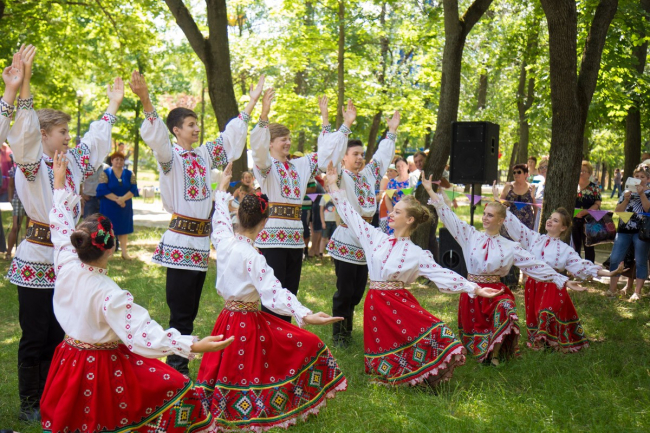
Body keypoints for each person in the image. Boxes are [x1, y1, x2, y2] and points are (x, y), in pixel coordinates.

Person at [41, 150, 234, 433]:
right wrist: (192, 345)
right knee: (153, 393)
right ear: (111, 249)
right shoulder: (109, 294)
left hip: (69, 357)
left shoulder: (67, 262)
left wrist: (59, 185)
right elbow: (144, 333)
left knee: (73, 417)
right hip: (99, 365)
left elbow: (59, 226)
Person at [6, 45, 122, 421]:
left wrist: (113, 105)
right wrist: (24, 85)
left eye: (69, 131)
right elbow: (23, 132)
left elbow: (96, 140)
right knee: (35, 334)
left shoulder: (72, 160)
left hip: (65, 258)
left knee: (61, 332)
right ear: (43, 135)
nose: (69, 137)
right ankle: (29, 403)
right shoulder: (30, 163)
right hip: (37, 257)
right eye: (63, 131)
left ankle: (53, 397)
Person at [131, 71, 264, 375]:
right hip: (180, 241)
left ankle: (180, 365)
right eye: (190, 124)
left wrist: (252, 101)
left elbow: (230, 137)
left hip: (200, 243)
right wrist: (145, 99)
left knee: (189, 310)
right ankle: (176, 369)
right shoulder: (170, 158)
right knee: (180, 311)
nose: (196, 128)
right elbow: (157, 138)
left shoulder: (204, 154)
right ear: (176, 130)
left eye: (196, 123)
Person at [195, 163, 347, 430]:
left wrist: (221, 190)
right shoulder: (253, 257)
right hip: (246, 321)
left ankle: (224, 407)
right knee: (258, 361)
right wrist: (305, 314)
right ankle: (251, 409)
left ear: (238, 216)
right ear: (265, 223)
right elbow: (274, 292)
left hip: (226, 318)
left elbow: (219, 219)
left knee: (230, 363)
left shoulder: (224, 241)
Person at [326, 164, 504, 386]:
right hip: (375, 302)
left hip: (398, 302)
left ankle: (419, 372)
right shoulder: (375, 237)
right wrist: (333, 185)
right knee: (382, 341)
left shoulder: (416, 253)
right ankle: (386, 376)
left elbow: (441, 274)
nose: (391, 214)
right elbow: (351, 215)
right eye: (393, 211)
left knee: (424, 334)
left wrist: (474, 288)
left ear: (410, 220)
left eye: (397, 212)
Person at [428, 187, 583, 366]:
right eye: (484, 214)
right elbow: (451, 218)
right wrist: (431, 192)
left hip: (495, 290)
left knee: (506, 307)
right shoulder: (470, 236)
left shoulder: (510, 246)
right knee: (475, 341)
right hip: (473, 291)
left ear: (501, 220)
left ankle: (495, 354)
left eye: (490, 215)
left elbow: (534, 264)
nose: (485, 218)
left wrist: (562, 280)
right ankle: (482, 350)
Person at [250, 92, 352, 322]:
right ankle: (270, 336)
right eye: (282, 139)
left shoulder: (300, 164)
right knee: (272, 294)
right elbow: (257, 150)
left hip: (295, 238)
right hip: (272, 239)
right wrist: (264, 115)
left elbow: (326, 156)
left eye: (289, 138)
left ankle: (285, 336)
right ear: (270, 143)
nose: (288, 142)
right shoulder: (265, 166)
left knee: (290, 294)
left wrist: (341, 125)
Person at [502, 207, 626, 352]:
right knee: (535, 314)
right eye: (550, 218)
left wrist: (610, 274)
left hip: (553, 285)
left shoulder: (565, 249)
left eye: (555, 220)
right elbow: (518, 228)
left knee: (545, 311)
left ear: (563, 227)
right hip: (533, 284)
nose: (550, 221)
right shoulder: (534, 238)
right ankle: (542, 342)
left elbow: (582, 266)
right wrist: (504, 211)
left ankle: (545, 342)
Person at [325, 110, 399, 347]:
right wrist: (345, 125)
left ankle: (347, 326)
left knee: (357, 291)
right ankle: (339, 335)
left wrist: (392, 131)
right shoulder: (340, 176)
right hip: (348, 238)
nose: (359, 158)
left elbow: (382, 157)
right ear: (344, 158)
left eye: (361, 154)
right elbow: (332, 153)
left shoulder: (368, 175)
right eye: (354, 154)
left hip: (367, 239)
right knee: (345, 291)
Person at [607, 164, 650, 302]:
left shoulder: (649, 192)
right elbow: (618, 211)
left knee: (641, 260)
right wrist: (626, 199)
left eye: (642, 177)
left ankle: (637, 292)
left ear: (648, 179)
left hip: (641, 231)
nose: (639, 178)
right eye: (636, 176)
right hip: (624, 230)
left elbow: (647, 209)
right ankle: (612, 289)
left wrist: (642, 194)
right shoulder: (626, 192)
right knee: (615, 258)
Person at [96, 151, 139, 260]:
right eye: (116, 159)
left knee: (124, 229)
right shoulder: (105, 173)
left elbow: (133, 189)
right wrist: (118, 200)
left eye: (121, 159)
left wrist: (123, 199)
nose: (119, 161)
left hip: (124, 207)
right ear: (112, 161)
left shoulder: (130, 174)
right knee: (108, 229)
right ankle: (109, 253)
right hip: (108, 206)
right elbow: (103, 189)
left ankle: (124, 253)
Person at [573, 160, 602, 263]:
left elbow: (597, 204)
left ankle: (590, 268)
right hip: (574, 219)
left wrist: (586, 211)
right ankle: (575, 267)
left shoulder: (594, 187)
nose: (581, 173)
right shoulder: (572, 186)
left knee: (589, 246)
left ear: (589, 174)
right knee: (575, 245)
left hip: (589, 220)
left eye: (584, 171)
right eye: (580, 171)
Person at [5, 157, 29, 260]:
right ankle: (8, 253)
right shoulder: (14, 170)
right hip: (18, 200)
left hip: (31, 201)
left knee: (30, 228)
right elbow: (11, 186)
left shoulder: (33, 169)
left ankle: (26, 254)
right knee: (15, 227)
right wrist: (10, 198)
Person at [383, 157, 414, 235]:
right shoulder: (392, 182)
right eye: (398, 166)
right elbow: (387, 198)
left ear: (407, 166)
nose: (400, 168)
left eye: (402, 165)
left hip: (409, 215)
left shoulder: (413, 180)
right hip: (394, 215)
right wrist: (392, 213)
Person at [379, 163, 398, 233]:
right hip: (384, 214)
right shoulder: (389, 183)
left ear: (397, 172)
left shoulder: (397, 184)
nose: (389, 173)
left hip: (391, 213)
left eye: (391, 171)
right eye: (388, 171)